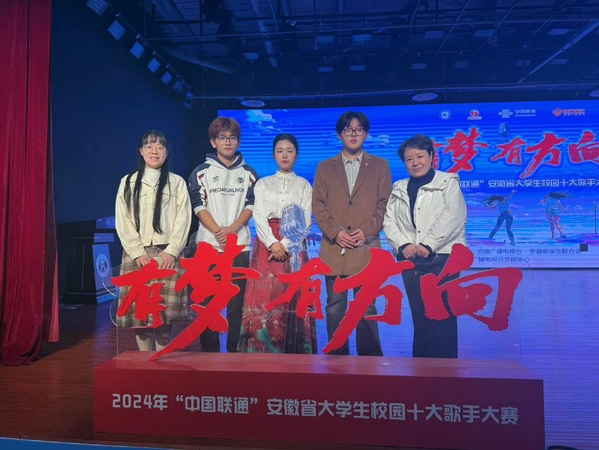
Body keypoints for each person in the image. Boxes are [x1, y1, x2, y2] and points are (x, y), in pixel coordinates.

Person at [312, 111, 392, 356]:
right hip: (334, 248)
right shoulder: (325, 167)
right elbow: (318, 205)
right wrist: (335, 233)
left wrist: (366, 231)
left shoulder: (380, 165)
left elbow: (385, 204)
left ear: (366, 134)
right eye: (348, 129)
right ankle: (337, 358)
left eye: (359, 129)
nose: (353, 134)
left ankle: (370, 360)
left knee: (367, 306)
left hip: (366, 247)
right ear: (340, 135)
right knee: (335, 306)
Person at [383, 134, 466, 358]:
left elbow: (454, 216)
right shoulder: (399, 187)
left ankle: (445, 371)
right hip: (411, 260)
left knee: (443, 317)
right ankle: (421, 369)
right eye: (409, 159)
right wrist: (403, 245)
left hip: (442, 259)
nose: (415, 163)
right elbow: (389, 221)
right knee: (420, 317)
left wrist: (428, 244)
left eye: (420, 156)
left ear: (431, 156)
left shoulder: (447, 182)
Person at [238, 133, 317, 353]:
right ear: (274, 155)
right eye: (280, 151)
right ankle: (261, 351)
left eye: (289, 151)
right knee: (266, 297)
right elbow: (258, 215)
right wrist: (273, 242)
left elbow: (305, 218)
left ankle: (294, 353)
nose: (285, 155)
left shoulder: (304, 185)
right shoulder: (263, 184)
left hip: (294, 247)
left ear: (296, 155)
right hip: (266, 246)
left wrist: (286, 242)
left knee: (293, 296)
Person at [115, 130, 192, 351]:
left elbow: (183, 218)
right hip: (138, 255)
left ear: (167, 152)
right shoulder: (128, 182)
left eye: (160, 147)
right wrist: (137, 253)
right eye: (149, 146)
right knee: (140, 311)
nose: (154, 151)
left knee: (165, 312)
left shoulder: (176, 182)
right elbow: (123, 219)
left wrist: (172, 251)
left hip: (167, 254)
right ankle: (144, 361)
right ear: (141, 151)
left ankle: (162, 359)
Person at [188, 116, 259, 352]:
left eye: (232, 138)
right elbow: (198, 205)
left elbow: (251, 205)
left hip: (239, 246)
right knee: (207, 300)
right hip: (208, 245)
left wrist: (233, 228)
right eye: (222, 138)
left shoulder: (249, 173)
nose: (228, 142)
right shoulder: (201, 172)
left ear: (238, 141)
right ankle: (209, 352)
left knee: (237, 304)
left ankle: (235, 351)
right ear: (213, 142)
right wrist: (218, 231)